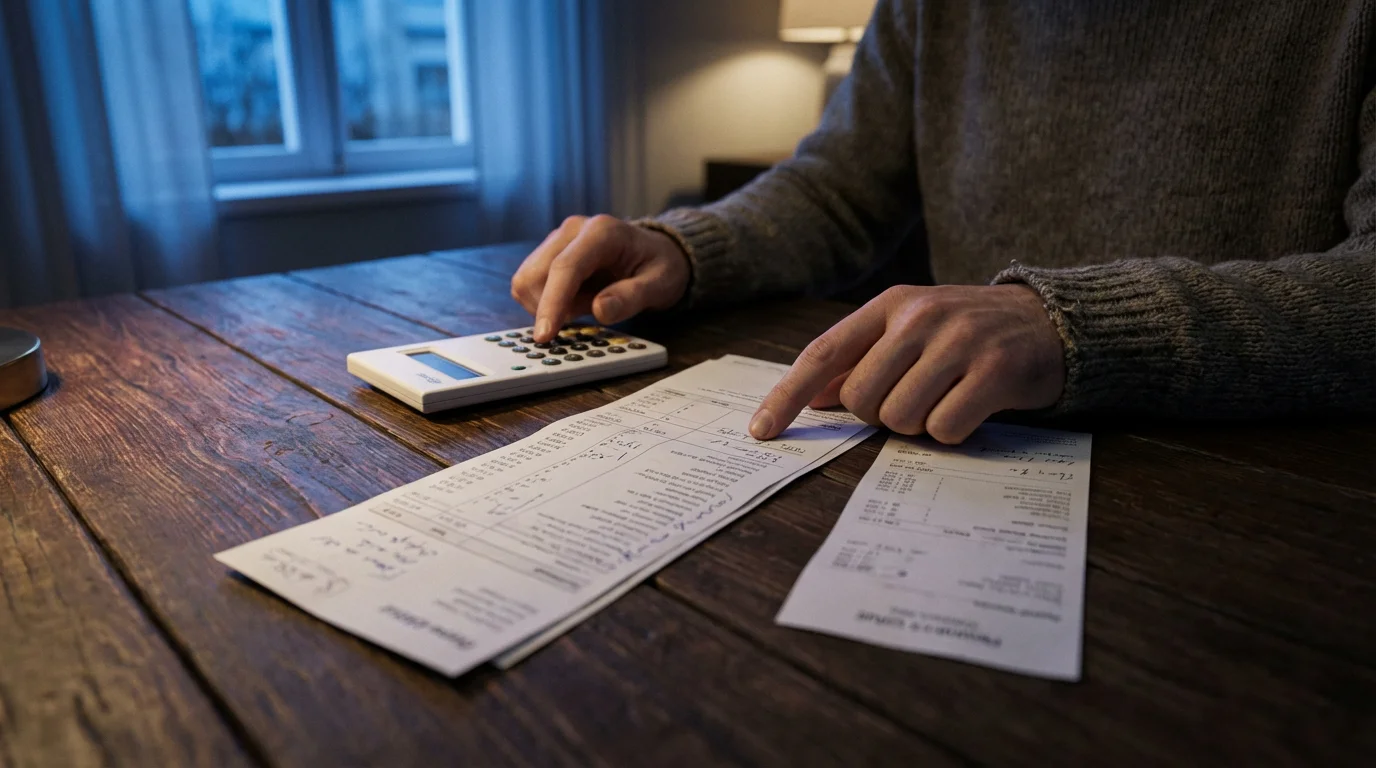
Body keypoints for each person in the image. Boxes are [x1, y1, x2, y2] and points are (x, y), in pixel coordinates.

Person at [511, 0, 1375, 444]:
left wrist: (1075, 326)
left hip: (1269, 502)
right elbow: (837, 188)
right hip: (953, 451)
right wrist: (683, 246)